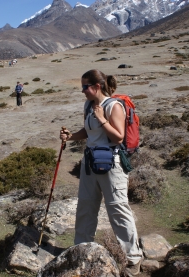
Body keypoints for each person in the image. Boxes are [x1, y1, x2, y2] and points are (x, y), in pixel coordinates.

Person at [60, 69, 143, 276]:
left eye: (85, 87)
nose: (83, 91)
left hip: (112, 164)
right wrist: (70, 137)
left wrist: (102, 119)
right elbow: (88, 132)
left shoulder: (113, 106)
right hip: (90, 163)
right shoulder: (88, 105)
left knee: (117, 209)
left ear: (97, 86)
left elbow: (118, 138)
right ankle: (81, 249)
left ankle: (133, 259)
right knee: (86, 206)